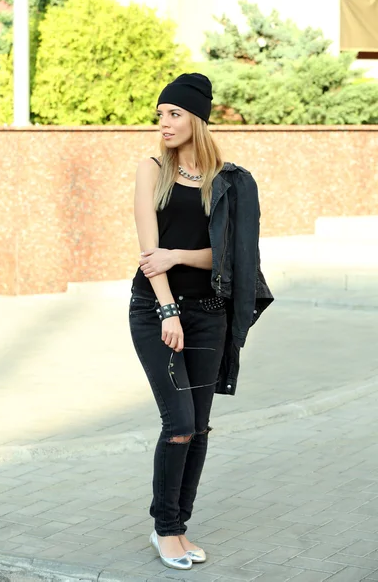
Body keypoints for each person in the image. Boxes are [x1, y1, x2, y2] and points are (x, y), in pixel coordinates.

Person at [129, 73, 273, 571]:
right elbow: (150, 254)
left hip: (209, 315)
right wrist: (168, 307)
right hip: (155, 311)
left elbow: (233, 257)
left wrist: (178, 255)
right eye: (159, 115)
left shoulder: (228, 181)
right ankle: (164, 528)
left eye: (173, 114)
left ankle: (179, 526)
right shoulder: (152, 170)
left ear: (197, 119)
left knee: (201, 427)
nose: (163, 123)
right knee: (180, 423)